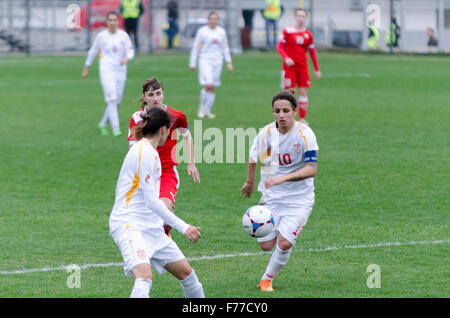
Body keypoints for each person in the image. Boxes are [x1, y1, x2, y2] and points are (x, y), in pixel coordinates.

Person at [110, 107, 204, 298]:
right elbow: (152, 201)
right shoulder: (144, 153)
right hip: (130, 224)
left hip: (151, 227)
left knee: (187, 275)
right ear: (163, 129)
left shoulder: (150, 152)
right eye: (168, 131)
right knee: (144, 277)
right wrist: (183, 226)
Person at [240, 91, 319, 292]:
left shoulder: (305, 134)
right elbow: (252, 158)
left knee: (283, 243)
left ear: (295, 111)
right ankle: (276, 251)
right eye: (277, 111)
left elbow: (312, 169)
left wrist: (281, 179)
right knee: (266, 245)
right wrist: (250, 182)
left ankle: (266, 280)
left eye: (286, 110)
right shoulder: (265, 133)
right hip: (271, 197)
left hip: (299, 199)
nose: (281, 115)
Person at [128, 78, 200, 237]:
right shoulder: (137, 118)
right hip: (146, 173)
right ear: (144, 97)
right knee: (148, 217)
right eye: (151, 94)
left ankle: (166, 234)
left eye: (158, 93)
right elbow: (133, 147)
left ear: (163, 94)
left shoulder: (176, 116)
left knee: (164, 210)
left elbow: (187, 136)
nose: (155, 98)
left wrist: (191, 163)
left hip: (167, 172)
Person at [82, 11, 135, 137]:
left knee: (117, 101)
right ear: (107, 22)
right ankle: (116, 129)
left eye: (114, 20)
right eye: (110, 20)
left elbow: (131, 51)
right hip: (106, 70)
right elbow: (93, 51)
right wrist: (86, 67)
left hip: (121, 70)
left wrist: (127, 58)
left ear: (118, 21)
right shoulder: (102, 36)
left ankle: (103, 124)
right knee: (112, 99)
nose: (112, 22)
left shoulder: (124, 36)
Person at [277, 8, 321, 124]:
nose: (301, 18)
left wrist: (317, 69)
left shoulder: (308, 35)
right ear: (295, 17)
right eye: (299, 16)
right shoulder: (288, 31)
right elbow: (280, 46)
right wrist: (286, 58)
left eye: (303, 16)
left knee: (303, 92)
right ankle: (288, 117)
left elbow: (312, 52)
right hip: (289, 68)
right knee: (289, 93)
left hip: (302, 67)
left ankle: (302, 119)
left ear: (306, 18)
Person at [189, 12, 233, 119]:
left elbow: (225, 47)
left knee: (212, 87)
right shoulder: (202, 31)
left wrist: (229, 62)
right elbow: (196, 46)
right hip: (205, 60)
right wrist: (192, 62)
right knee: (208, 84)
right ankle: (201, 109)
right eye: (211, 19)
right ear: (208, 20)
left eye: (215, 19)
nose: (213, 21)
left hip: (217, 61)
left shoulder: (221, 32)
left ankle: (208, 110)